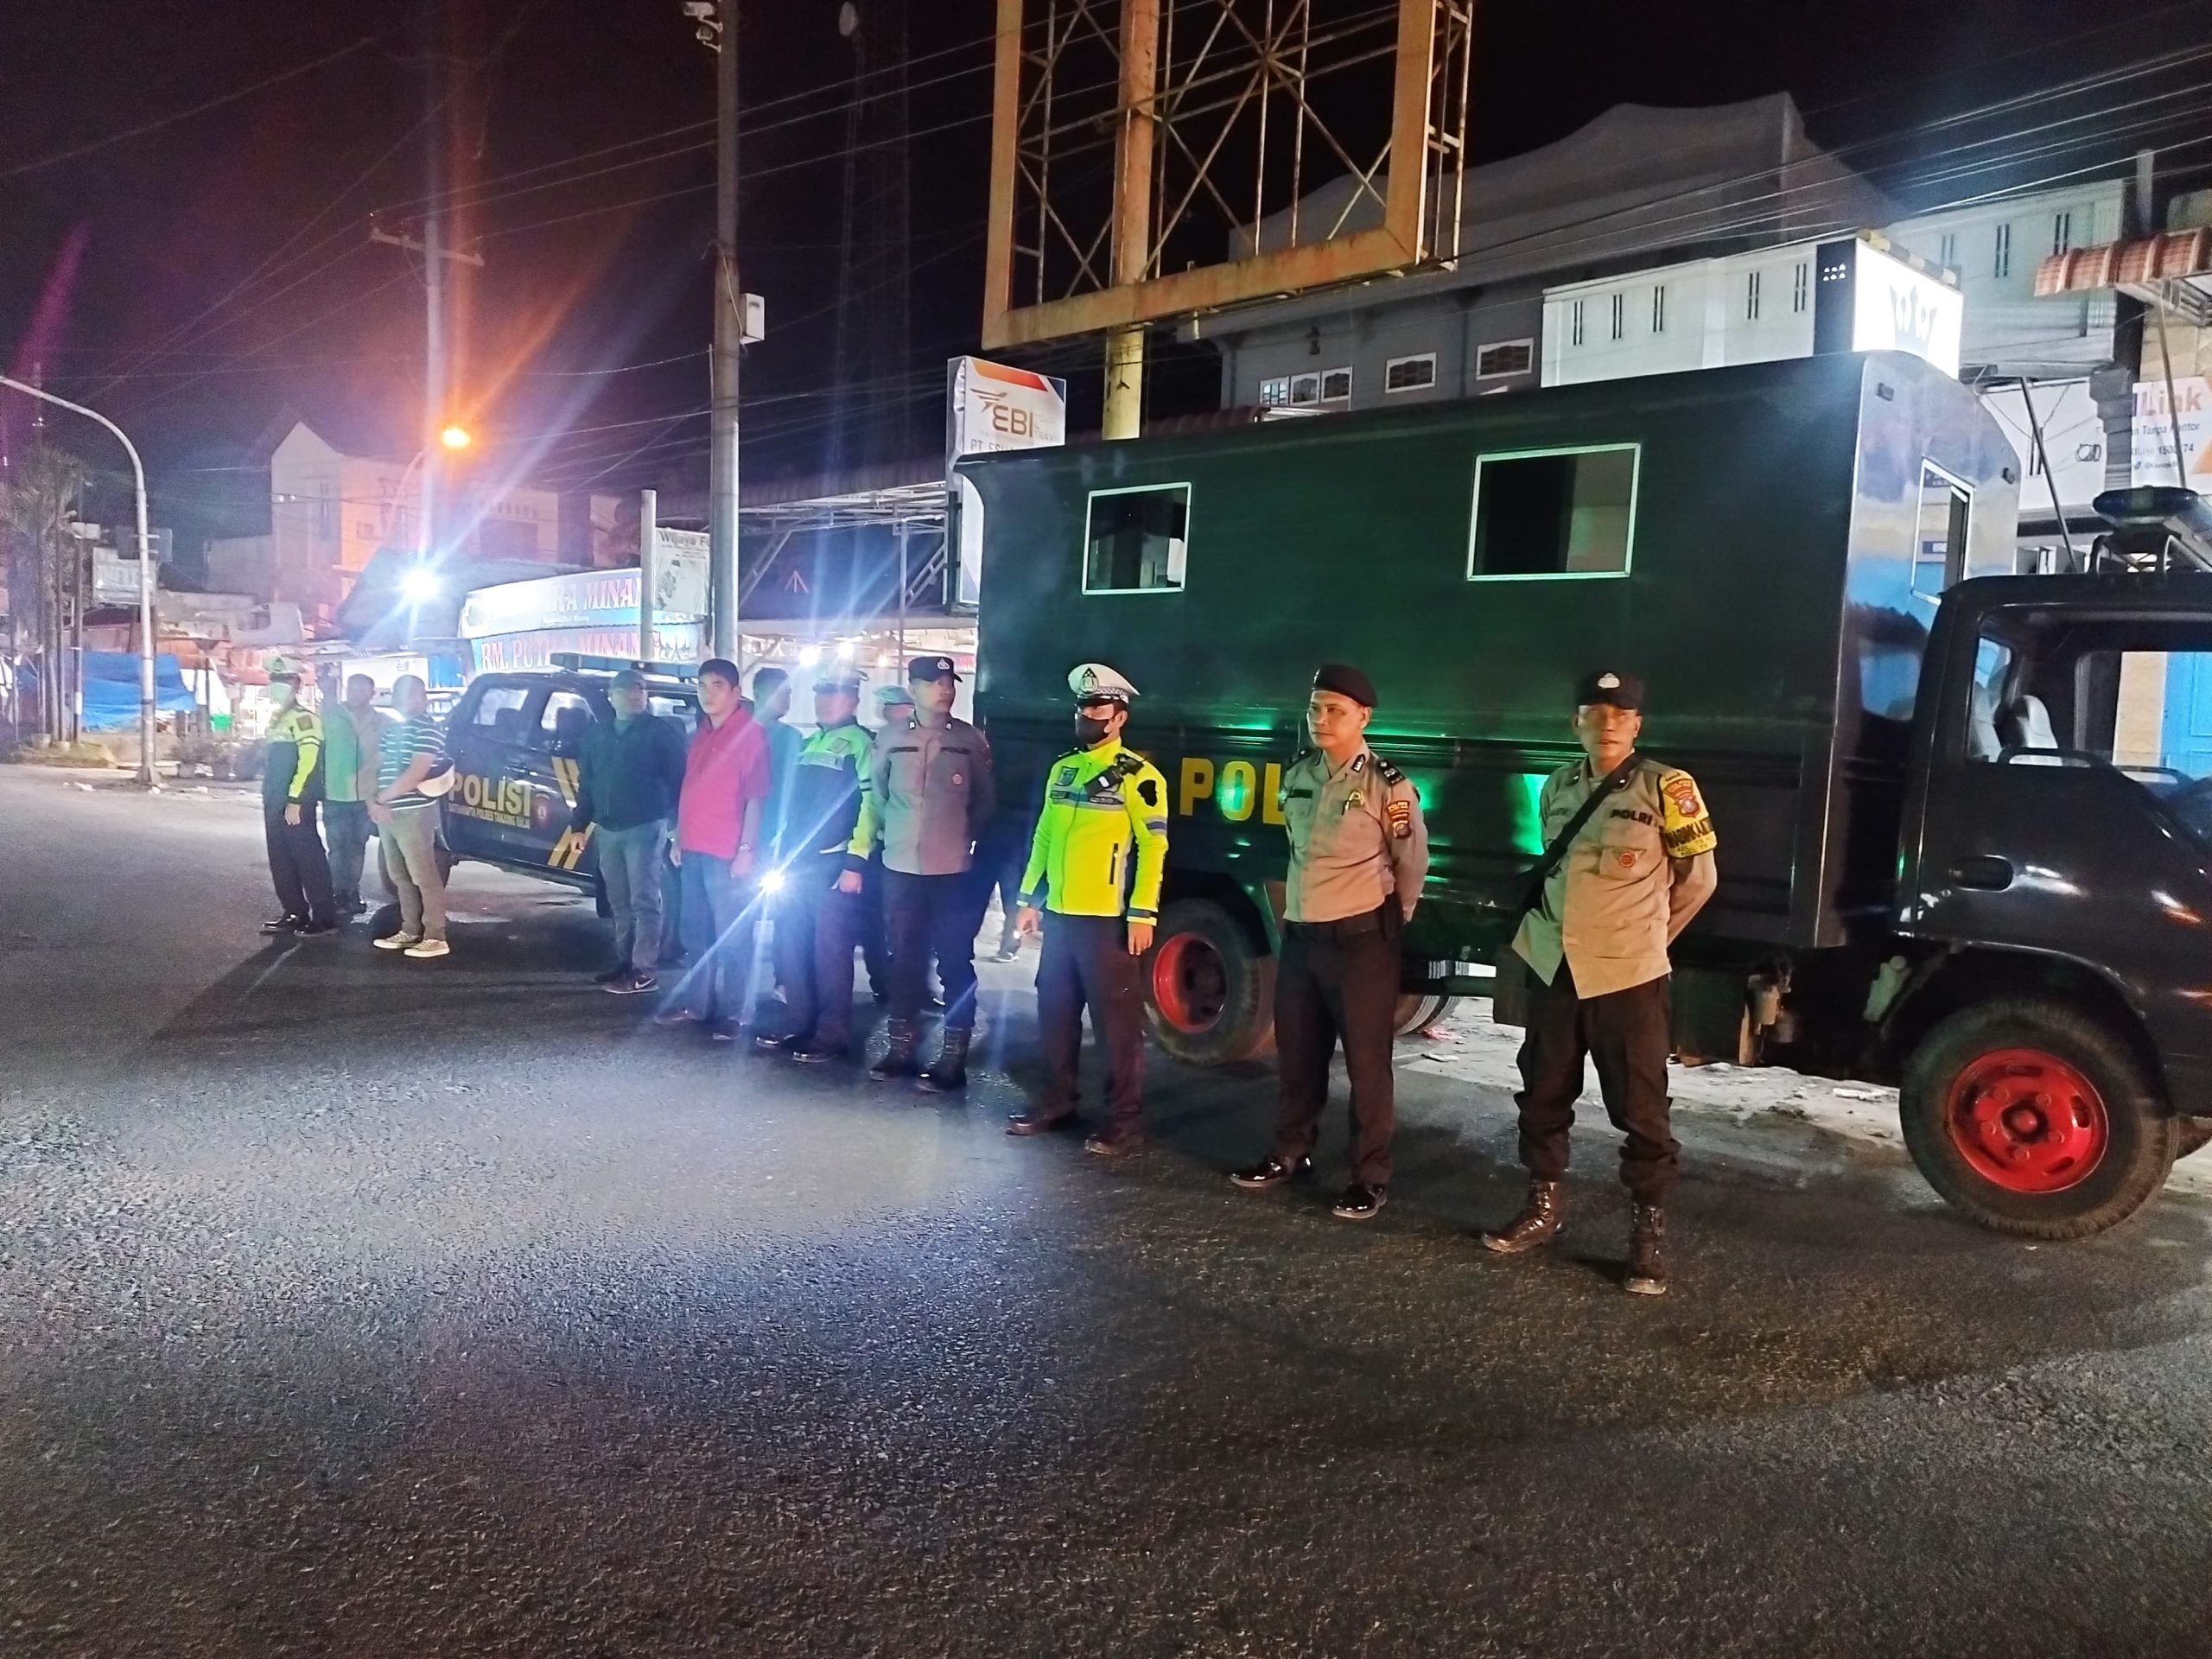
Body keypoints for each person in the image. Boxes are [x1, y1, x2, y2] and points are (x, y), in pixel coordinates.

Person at [1480, 671, 1718, 1296]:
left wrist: (1645, 941)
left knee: (1641, 1112)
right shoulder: (1558, 785)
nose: (1607, 723)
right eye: (1594, 713)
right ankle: (1542, 1208)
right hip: (1555, 967)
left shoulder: (1669, 787)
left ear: (1638, 725)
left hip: (1628, 975)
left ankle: (1647, 1235)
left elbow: (1698, 883)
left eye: (1620, 714)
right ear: (1576, 723)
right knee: (1543, 1093)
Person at [1231, 664, 1428, 1221]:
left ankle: (1369, 1175)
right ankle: (1291, 1152)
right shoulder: (1299, 774)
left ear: (1363, 717)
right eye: (1315, 708)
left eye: (1334, 710)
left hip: (1362, 943)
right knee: (1297, 1055)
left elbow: (1411, 862)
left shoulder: (1386, 785)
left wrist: (1393, 920)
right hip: (1303, 938)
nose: (1320, 719)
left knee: (1367, 1067)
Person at [1004, 664, 1169, 1156]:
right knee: (1055, 1013)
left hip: (1108, 921)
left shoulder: (1141, 777)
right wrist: (1027, 899)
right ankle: (1058, 1100)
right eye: (1082, 706)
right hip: (1060, 915)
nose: (1086, 715)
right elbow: (1045, 838)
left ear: (1119, 717)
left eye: (1096, 707)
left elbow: (1154, 849)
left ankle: (1125, 1120)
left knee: (1117, 1026)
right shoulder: (1064, 769)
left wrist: (1143, 913)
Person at [859, 654, 995, 1090]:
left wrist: (959, 839)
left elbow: (984, 803)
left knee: (956, 962)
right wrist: (897, 835)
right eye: (935, 682)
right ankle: (902, 1049)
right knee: (904, 962)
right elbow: (878, 796)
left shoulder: (970, 741)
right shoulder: (890, 737)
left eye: (949, 682)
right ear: (913, 687)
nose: (946, 689)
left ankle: (953, 1059)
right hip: (900, 867)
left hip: (952, 871)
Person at [757, 668, 877, 1061]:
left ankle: (832, 1035)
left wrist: (855, 862)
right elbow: (793, 807)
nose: (826, 701)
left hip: (833, 865)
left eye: (836, 695)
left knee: (831, 954)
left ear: (854, 701)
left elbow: (870, 808)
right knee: (792, 947)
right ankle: (798, 1024)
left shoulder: (862, 745)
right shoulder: (810, 744)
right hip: (797, 864)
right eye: (821, 695)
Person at [659, 657, 772, 1039]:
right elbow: (691, 787)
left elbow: (756, 798)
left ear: (736, 693)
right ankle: (699, 1004)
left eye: (717, 686)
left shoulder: (750, 734)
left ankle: (739, 1012)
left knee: (732, 934)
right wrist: (678, 836)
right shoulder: (702, 730)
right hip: (693, 847)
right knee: (695, 930)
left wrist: (746, 849)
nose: (707, 693)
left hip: (727, 852)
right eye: (702, 685)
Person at [574, 669, 689, 995]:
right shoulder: (598, 734)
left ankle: (644, 970)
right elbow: (588, 783)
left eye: (640, 689)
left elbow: (680, 781)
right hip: (608, 829)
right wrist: (579, 824)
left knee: (645, 900)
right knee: (618, 901)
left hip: (645, 827)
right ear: (612, 697)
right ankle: (625, 963)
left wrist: (675, 823)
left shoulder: (661, 732)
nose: (635, 695)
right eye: (627, 690)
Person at [369, 673, 452, 960]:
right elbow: (376, 766)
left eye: (408, 694)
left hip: (413, 811)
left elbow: (416, 773)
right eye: (397, 694)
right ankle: (409, 929)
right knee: (400, 876)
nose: (402, 700)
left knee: (424, 875)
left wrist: (380, 799)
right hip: (388, 811)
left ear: (422, 698)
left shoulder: (429, 729)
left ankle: (435, 935)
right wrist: (374, 801)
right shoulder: (394, 731)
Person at [257, 657, 338, 938]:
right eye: (274, 681)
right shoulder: (279, 718)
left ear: (296, 684)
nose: (276, 687)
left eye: (283, 681)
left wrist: (296, 799)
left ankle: (324, 917)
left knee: (308, 858)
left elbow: (309, 760)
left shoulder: (305, 718)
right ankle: (294, 912)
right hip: (274, 799)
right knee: (280, 858)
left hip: (295, 801)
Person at [321, 672, 390, 919]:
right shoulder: (330, 716)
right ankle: (338, 894)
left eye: (363, 690)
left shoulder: (382, 722)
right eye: (353, 689)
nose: (357, 694)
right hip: (335, 793)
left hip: (366, 796)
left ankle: (351, 893)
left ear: (372, 694)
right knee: (338, 848)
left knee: (357, 847)